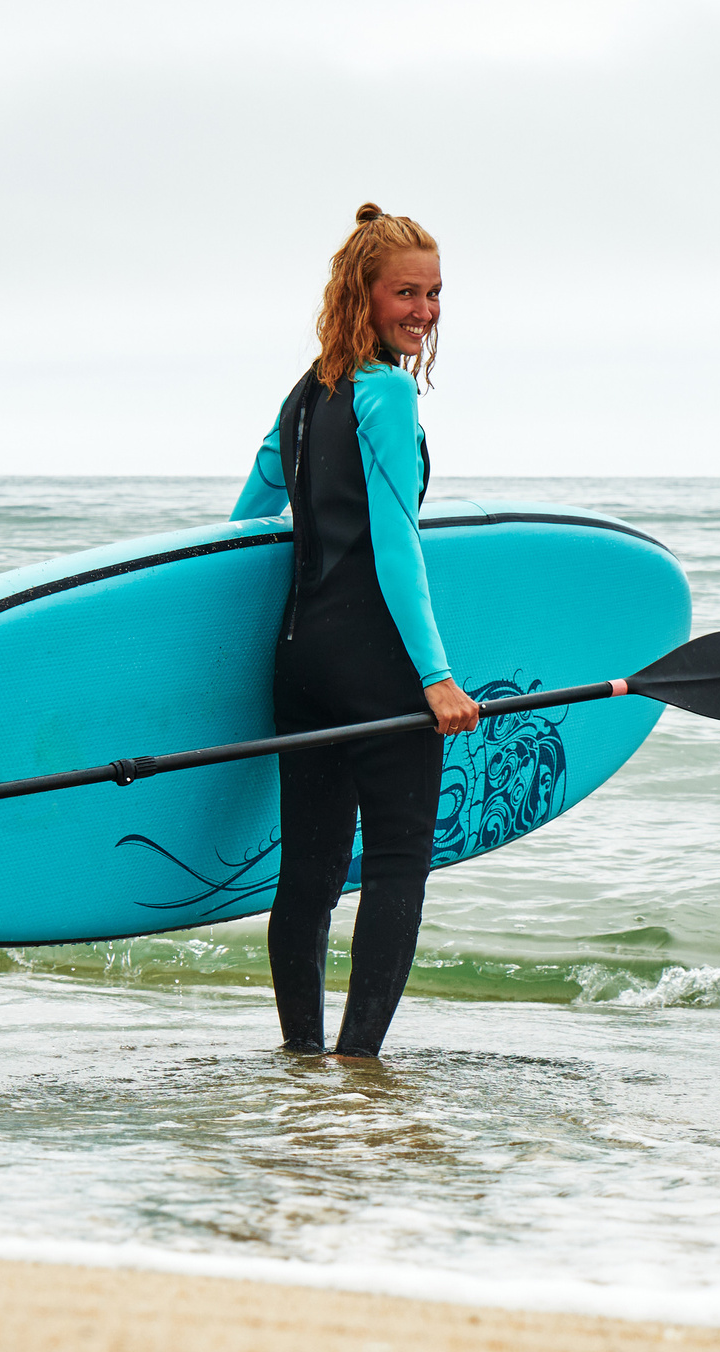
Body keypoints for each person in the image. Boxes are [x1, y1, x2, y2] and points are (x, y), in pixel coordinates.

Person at [230, 203, 480, 1059]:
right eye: (405, 292)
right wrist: (436, 675)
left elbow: (247, 517)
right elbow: (395, 543)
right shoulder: (385, 390)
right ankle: (359, 1063)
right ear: (363, 295)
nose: (424, 310)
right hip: (375, 664)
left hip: (298, 662)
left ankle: (301, 1057)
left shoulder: (307, 393)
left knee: (309, 867)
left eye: (435, 292)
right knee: (400, 858)